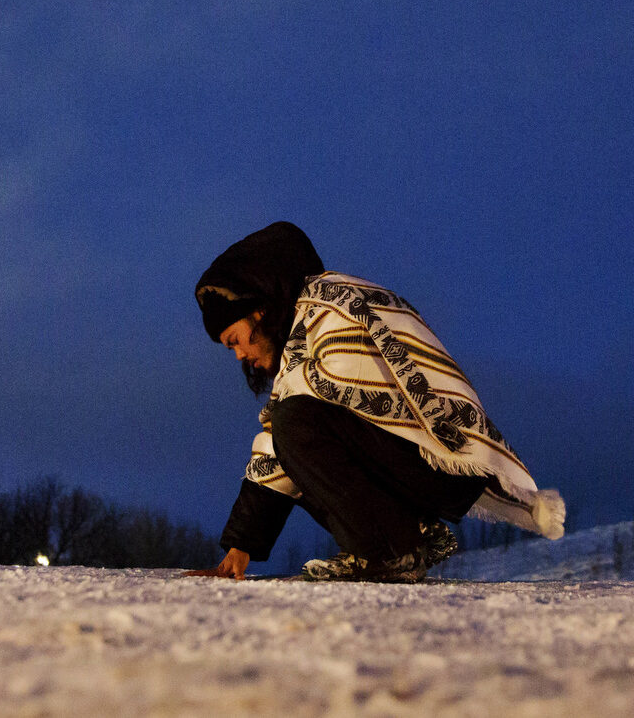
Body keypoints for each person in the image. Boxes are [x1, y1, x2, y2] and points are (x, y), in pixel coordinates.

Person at [190, 221, 563, 583]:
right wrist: (241, 547)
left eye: (234, 340)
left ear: (259, 312)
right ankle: (410, 533)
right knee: (293, 426)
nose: (239, 356)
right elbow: (283, 447)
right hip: (411, 459)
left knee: (295, 423)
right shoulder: (304, 329)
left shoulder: (332, 309)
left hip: (439, 453)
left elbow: (303, 427)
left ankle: (389, 549)